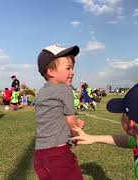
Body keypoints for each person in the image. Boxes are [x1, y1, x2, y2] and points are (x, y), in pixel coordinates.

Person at [34, 44, 85, 180]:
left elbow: (52, 117)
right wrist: (76, 134)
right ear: (51, 71)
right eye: (68, 68)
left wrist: (71, 123)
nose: (72, 72)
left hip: (40, 156)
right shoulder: (65, 90)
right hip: (58, 155)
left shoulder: (42, 92)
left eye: (72, 68)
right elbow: (70, 120)